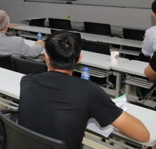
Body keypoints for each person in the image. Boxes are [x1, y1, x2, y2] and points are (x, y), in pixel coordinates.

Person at [18, 31, 149, 149]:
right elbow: (143, 135)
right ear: (79, 59)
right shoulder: (89, 91)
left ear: (46, 57)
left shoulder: (27, 81)